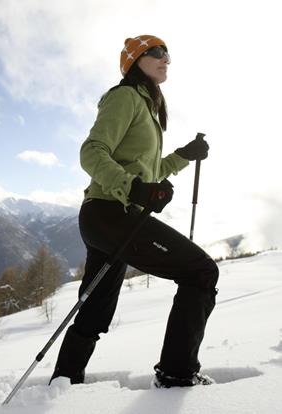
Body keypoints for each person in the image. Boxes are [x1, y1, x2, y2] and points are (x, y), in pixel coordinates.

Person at [50, 35, 219, 388]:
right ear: (133, 61)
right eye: (156, 53)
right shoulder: (125, 96)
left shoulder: (148, 107)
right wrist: (134, 188)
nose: (165, 59)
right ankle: (177, 372)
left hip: (106, 216)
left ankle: (63, 383)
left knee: (95, 307)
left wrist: (184, 155)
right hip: (111, 213)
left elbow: (150, 174)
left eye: (167, 54)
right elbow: (92, 152)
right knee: (201, 272)